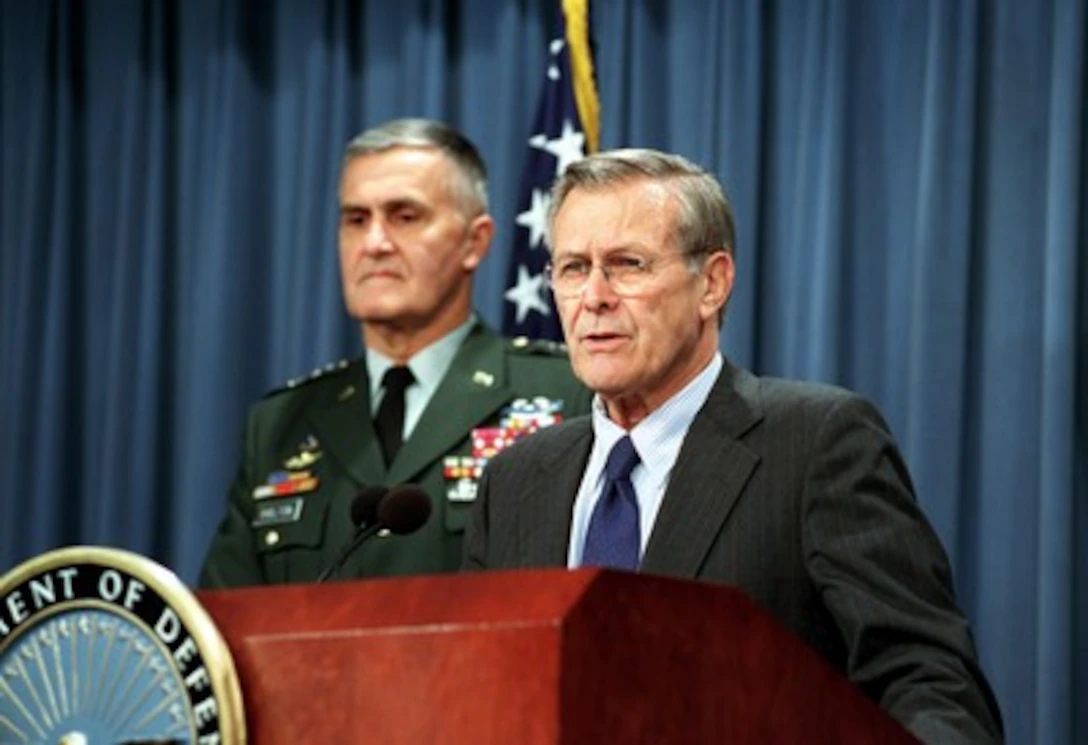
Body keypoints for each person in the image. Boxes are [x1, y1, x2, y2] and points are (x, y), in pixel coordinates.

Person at [462, 149, 1003, 744]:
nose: (594, 296)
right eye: (572, 268)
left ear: (712, 283)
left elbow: (929, 681)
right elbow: (478, 694)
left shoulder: (815, 443)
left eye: (627, 264)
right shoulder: (515, 481)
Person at [199, 119, 591, 588]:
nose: (375, 244)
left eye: (405, 216)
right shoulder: (281, 423)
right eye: (356, 219)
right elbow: (224, 623)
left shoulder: (566, 393)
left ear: (475, 241)